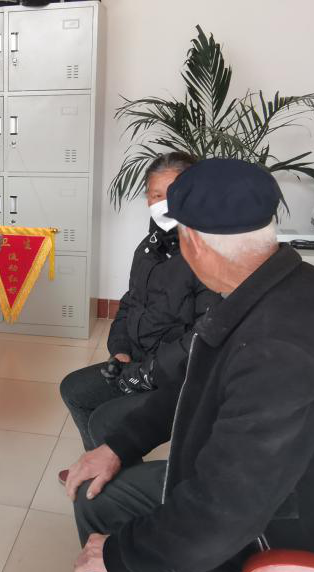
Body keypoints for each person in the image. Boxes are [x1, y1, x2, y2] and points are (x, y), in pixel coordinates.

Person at [66, 159, 314, 572]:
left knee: (103, 568)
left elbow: (219, 517)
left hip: (290, 545)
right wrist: (118, 446)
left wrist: (120, 555)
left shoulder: (277, 353)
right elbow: (193, 381)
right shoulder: (281, 283)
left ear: (193, 244)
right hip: (257, 498)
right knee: (96, 498)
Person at [59, 153, 219, 465]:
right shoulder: (148, 248)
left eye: (172, 194)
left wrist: (147, 373)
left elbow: (205, 336)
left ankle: (113, 476)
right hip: (138, 362)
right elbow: (131, 301)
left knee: (105, 420)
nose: (162, 204)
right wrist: (120, 351)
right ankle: (102, 467)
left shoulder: (209, 256)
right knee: (74, 390)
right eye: (155, 195)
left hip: (180, 378)